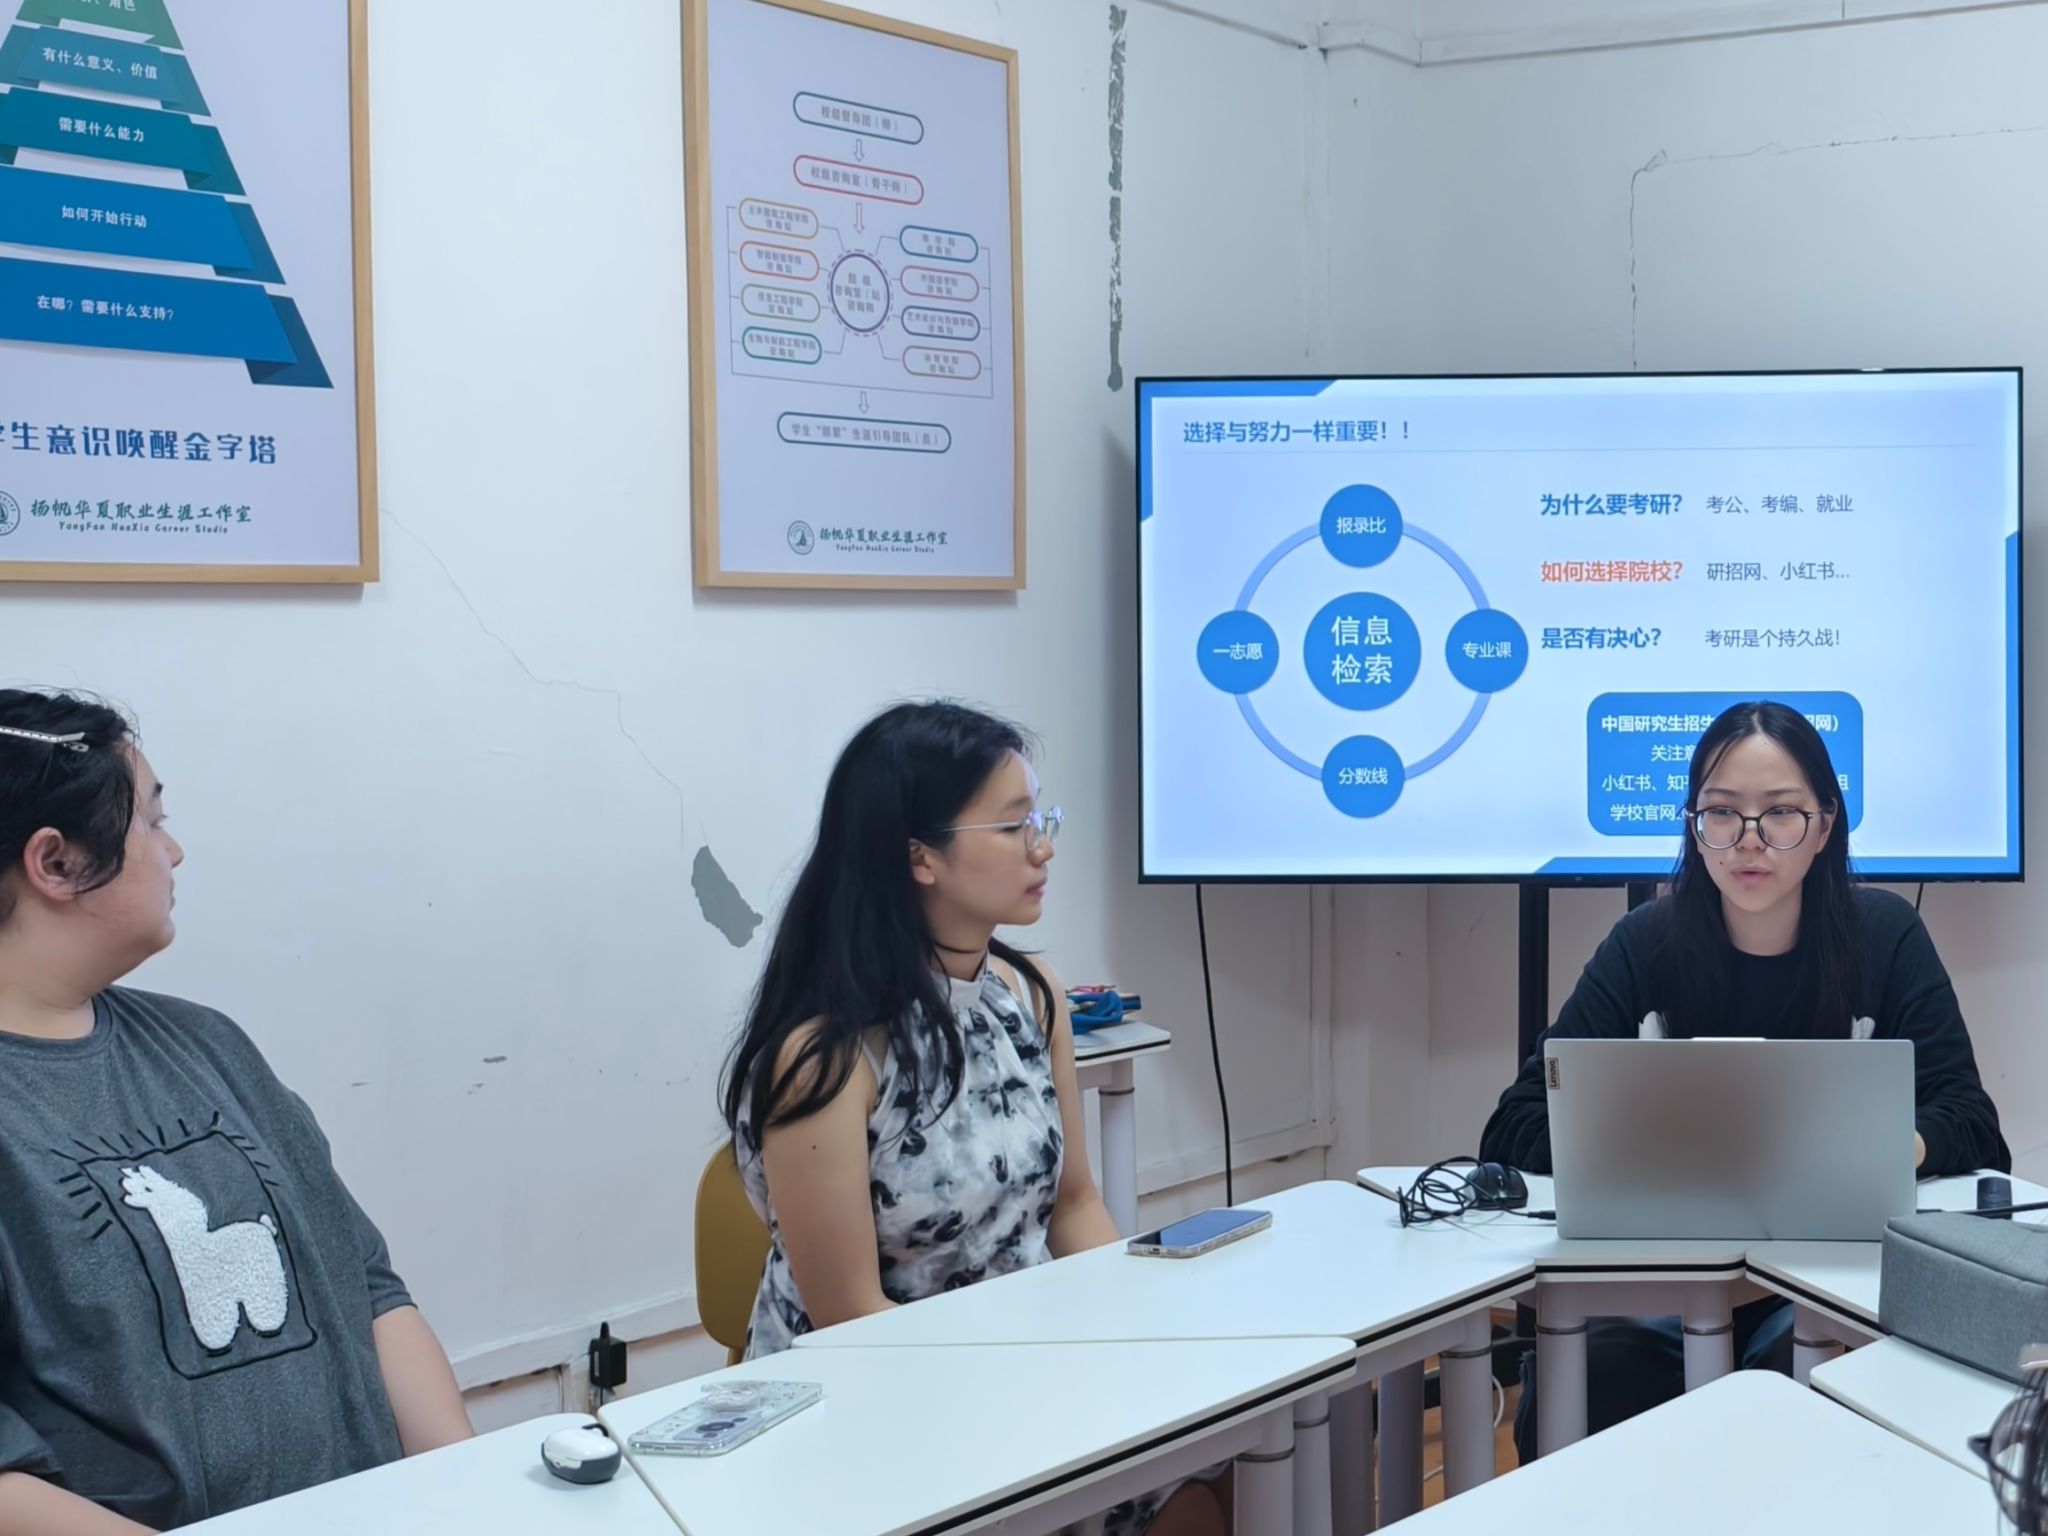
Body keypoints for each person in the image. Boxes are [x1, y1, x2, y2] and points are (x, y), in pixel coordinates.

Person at [721, 702, 1225, 1536]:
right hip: (875, 1410)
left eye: (1042, 821)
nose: (1043, 848)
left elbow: (1073, 1206)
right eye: (1014, 826)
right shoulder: (826, 1055)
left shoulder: (1030, 993)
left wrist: (1141, 1327)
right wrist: (1028, 1391)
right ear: (920, 856)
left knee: (1216, 1462)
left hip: (1017, 1378)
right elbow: (850, 1321)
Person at [1481, 699, 2008, 1462]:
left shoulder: (1884, 937)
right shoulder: (1646, 942)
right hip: (1658, 1286)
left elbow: (1971, 1120)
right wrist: (1630, 1154)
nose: (1749, 840)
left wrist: (1883, 1151)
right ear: (1694, 825)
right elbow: (1516, 1122)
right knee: (1596, 1382)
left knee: (1813, 1376)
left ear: (1825, 825)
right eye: (1722, 813)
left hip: (1822, 1282)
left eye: (1782, 813)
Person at [0, 690, 472, 1535]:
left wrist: (469, 1492)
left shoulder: (208, 1046)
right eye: (152, 822)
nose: (174, 851)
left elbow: (368, 1289)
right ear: (57, 862)